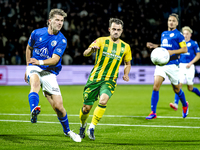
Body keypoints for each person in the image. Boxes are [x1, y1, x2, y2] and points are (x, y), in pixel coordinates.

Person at [24, 8, 81, 142]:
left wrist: (40, 61)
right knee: (35, 83)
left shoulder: (62, 40)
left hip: (50, 71)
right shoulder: (36, 33)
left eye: (62, 21)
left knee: (59, 107)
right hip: (35, 67)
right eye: (57, 20)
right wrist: (28, 66)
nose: (60, 23)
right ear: (50, 21)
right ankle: (34, 110)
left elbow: (55, 60)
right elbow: (28, 48)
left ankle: (67, 131)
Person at [78, 18, 132, 140]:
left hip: (110, 80)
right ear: (109, 29)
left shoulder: (126, 46)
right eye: (114, 29)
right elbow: (85, 53)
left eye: (118, 30)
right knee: (86, 108)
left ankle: (91, 128)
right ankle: (82, 125)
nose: (116, 32)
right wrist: (91, 50)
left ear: (122, 31)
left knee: (103, 101)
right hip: (94, 79)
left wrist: (126, 74)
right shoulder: (101, 41)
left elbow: (127, 63)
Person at [146, 13, 189, 120]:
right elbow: (164, 48)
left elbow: (184, 49)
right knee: (156, 86)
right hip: (161, 65)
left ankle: (184, 104)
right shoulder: (164, 34)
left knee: (177, 89)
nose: (171, 22)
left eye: (174, 21)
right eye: (170, 20)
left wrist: (172, 52)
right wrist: (154, 46)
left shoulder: (179, 35)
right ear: (167, 22)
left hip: (173, 65)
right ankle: (153, 112)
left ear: (177, 23)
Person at [170, 26, 200, 110]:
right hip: (181, 66)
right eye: (184, 33)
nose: (185, 35)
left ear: (190, 34)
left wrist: (191, 63)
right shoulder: (180, 44)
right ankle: (175, 104)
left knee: (190, 88)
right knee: (179, 84)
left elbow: (198, 55)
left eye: (187, 34)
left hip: (190, 66)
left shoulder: (194, 43)